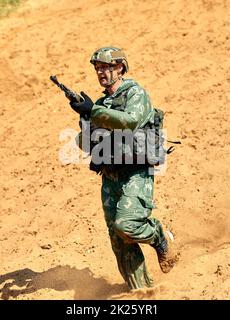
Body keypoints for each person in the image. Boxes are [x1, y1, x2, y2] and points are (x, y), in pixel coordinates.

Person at [69, 47, 179, 290]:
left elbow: (130, 122)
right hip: (110, 176)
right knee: (119, 240)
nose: (100, 72)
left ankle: (160, 236)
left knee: (127, 225)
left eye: (105, 67)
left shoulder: (135, 93)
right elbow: (84, 142)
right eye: (97, 68)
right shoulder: (101, 103)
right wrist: (85, 118)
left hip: (135, 172)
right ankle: (142, 291)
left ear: (119, 68)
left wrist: (94, 111)